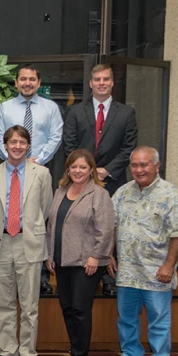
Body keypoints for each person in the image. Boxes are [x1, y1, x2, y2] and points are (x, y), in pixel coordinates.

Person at [108, 146, 178, 356]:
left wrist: (169, 266)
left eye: (144, 165)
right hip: (127, 271)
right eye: (134, 165)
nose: (139, 169)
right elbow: (113, 225)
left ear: (157, 165)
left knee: (158, 320)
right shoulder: (122, 192)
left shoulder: (170, 194)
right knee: (126, 317)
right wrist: (109, 253)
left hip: (157, 272)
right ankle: (131, 354)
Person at [63, 63, 139, 297]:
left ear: (112, 82)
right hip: (80, 180)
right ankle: (82, 271)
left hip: (113, 181)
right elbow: (70, 145)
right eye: (97, 79)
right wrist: (87, 171)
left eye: (106, 79)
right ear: (90, 83)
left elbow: (129, 148)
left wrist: (106, 171)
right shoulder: (75, 111)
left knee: (110, 227)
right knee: (82, 225)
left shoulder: (126, 113)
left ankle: (109, 276)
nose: (102, 83)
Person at [0, 125, 53, 356]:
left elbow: (45, 208)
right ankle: (7, 350)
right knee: (3, 301)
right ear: (4, 145)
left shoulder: (42, 174)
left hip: (29, 241)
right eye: (12, 142)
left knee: (29, 303)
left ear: (28, 146)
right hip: (1, 243)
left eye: (21, 143)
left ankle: (27, 352)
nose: (17, 146)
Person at [45, 148, 114, 356]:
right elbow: (52, 226)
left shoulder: (99, 194)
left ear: (91, 170)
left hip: (87, 262)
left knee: (80, 309)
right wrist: (49, 255)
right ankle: (75, 352)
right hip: (62, 259)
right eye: (73, 166)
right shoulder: (60, 190)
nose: (78, 171)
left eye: (83, 167)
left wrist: (96, 255)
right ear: (68, 169)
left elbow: (106, 230)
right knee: (67, 308)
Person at [0, 64, 63, 296]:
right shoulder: (4, 108)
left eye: (32, 79)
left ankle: (41, 277)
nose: (27, 83)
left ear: (38, 82)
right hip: (11, 171)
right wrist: (14, 160)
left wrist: (37, 160)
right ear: (16, 83)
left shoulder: (51, 108)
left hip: (39, 170)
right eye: (22, 79)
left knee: (38, 218)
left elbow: (56, 136)